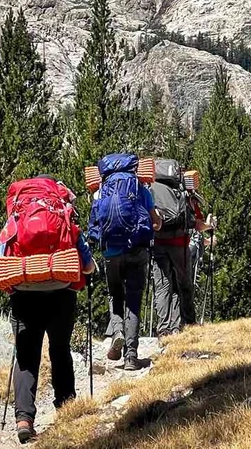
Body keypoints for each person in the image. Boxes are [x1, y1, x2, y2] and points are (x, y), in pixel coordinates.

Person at [0, 176, 96, 445]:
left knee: (26, 357)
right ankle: (66, 409)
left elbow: (2, 257)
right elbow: (86, 267)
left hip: (24, 295)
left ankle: (24, 419)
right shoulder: (64, 216)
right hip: (61, 293)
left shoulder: (15, 218)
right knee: (60, 351)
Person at [87, 153, 162, 371]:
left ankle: (117, 331)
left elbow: (95, 223)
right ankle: (131, 356)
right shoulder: (140, 188)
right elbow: (155, 222)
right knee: (134, 300)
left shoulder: (102, 190)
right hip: (137, 249)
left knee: (115, 295)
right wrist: (155, 225)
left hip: (111, 251)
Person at [151, 176, 212, 335]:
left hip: (158, 244)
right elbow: (197, 224)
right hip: (179, 245)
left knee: (162, 286)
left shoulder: (151, 190)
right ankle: (185, 324)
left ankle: (163, 328)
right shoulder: (184, 192)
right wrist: (210, 225)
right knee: (183, 284)